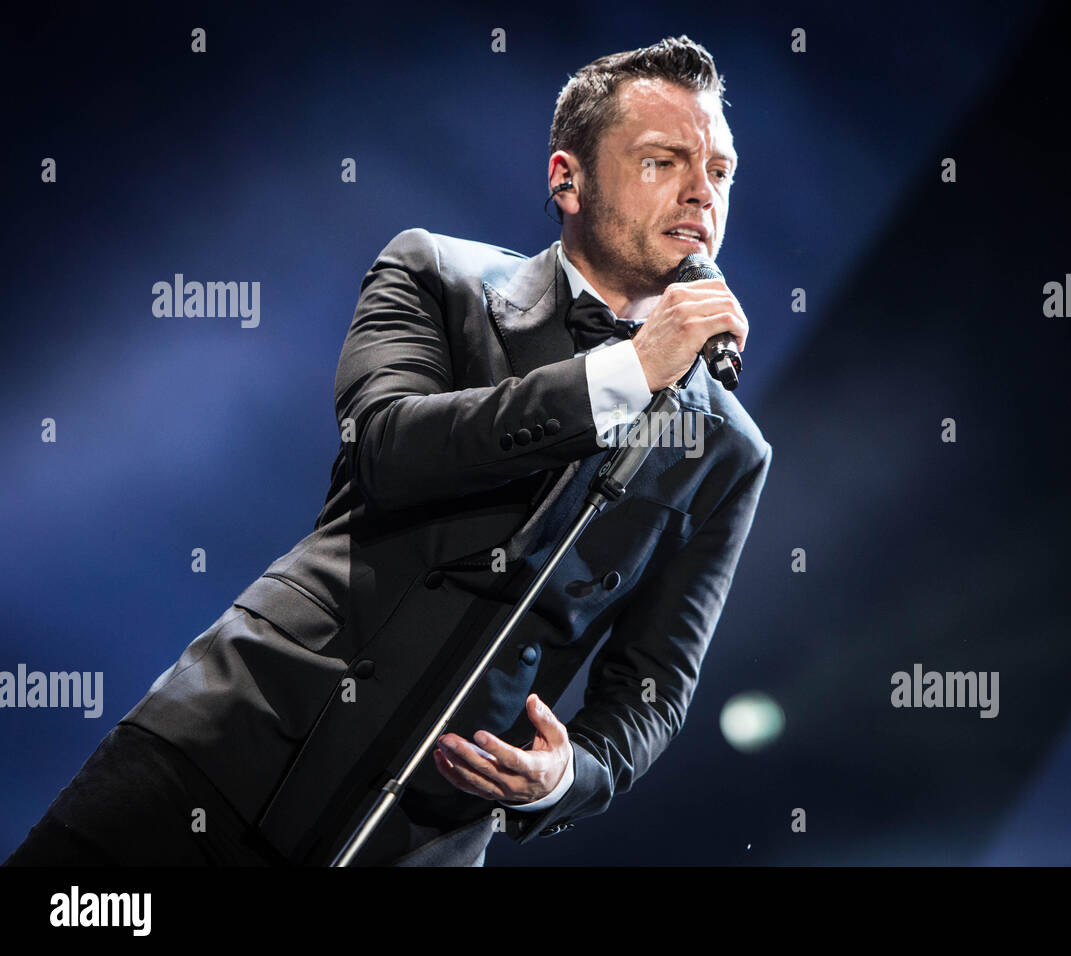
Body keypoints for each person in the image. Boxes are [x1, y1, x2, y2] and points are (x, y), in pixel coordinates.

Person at [5, 34, 770, 867]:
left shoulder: (728, 448)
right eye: (664, 160)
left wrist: (566, 776)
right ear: (567, 178)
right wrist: (627, 371)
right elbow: (389, 449)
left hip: (421, 834)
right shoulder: (438, 274)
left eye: (720, 172)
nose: (702, 193)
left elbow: (652, 686)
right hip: (235, 745)